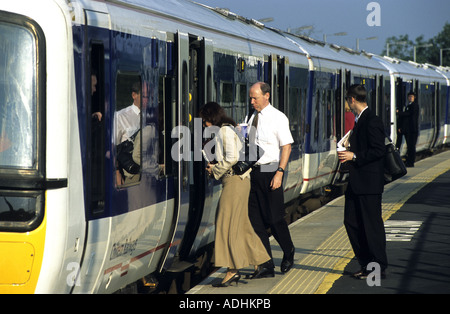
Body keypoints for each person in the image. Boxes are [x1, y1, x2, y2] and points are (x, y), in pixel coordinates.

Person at [201, 102, 271, 287]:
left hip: (234, 182)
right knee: (242, 225)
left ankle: (232, 271)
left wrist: (215, 169)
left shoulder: (224, 131)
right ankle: (261, 261)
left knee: (226, 223)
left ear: (212, 118)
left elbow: (232, 158)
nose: (204, 124)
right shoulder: (229, 129)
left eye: (205, 120)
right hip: (238, 182)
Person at [337, 84, 388, 279]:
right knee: (351, 222)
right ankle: (366, 263)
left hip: (369, 184)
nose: (347, 105)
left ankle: (377, 267)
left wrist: (354, 155)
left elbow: (378, 150)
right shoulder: (361, 120)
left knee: (371, 225)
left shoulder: (372, 120)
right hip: (358, 182)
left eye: (347, 101)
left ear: (352, 99)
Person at [246, 82, 295, 277]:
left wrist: (280, 172)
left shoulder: (278, 118)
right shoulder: (251, 118)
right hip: (254, 173)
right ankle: (266, 264)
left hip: (271, 171)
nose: (252, 101)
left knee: (275, 218)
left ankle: (288, 250)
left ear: (266, 96)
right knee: (255, 220)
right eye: (251, 98)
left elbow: (287, 146)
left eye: (255, 98)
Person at [115, 82, 142, 186]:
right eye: (144, 96)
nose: (147, 99)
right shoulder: (120, 117)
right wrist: (116, 172)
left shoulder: (153, 115)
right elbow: (113, 148)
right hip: (131, 174)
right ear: (134, 95)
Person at [397, 91, 419, 167]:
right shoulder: (408, 106)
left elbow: (409, 114)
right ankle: (409, 161)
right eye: (409, 96)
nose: (410, 98)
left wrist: (399, 113)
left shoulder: (414, 106)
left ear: (414, 98)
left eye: (412, 97)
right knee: (409, 146)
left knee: (411, 146)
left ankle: (411, 162)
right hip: (408, 129)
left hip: (412, 130)